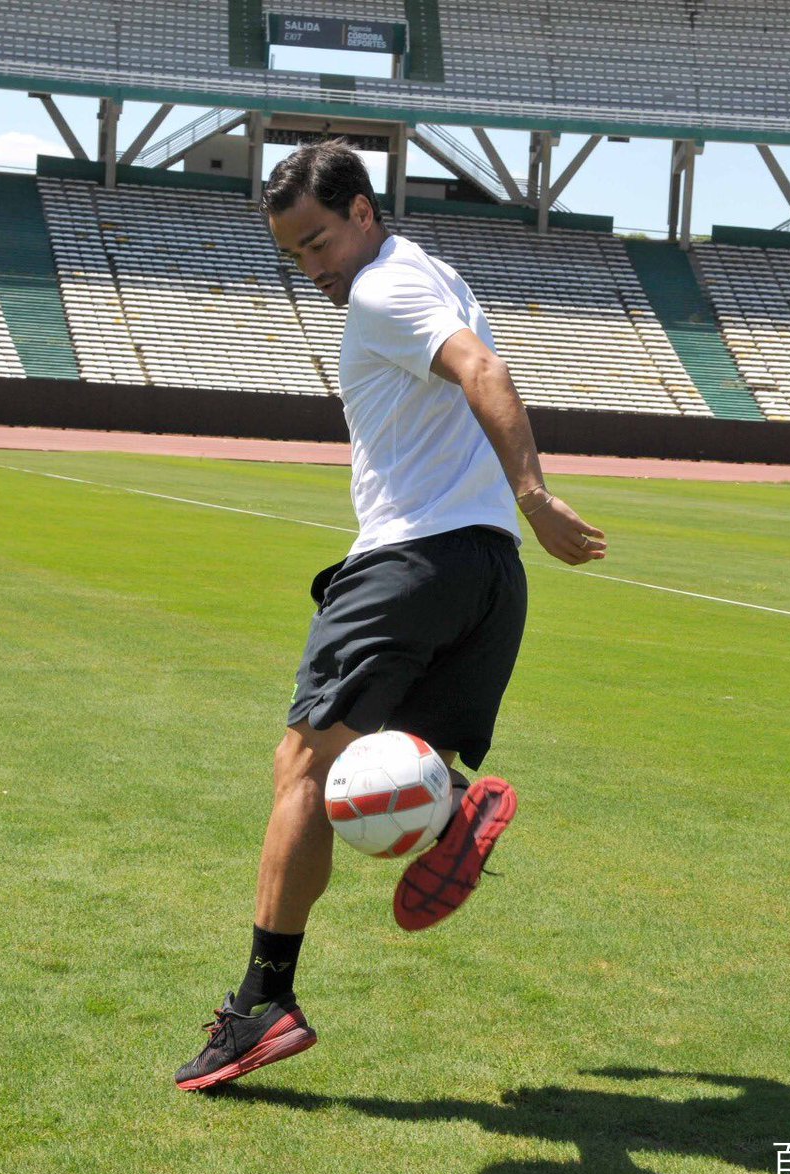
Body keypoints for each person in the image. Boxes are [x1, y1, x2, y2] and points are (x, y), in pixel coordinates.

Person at [175, 138, 607, 1091]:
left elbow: (483, 372)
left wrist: (536, 495)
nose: (314, 269)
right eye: (296, 254)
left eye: (320, 242)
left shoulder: (383, 290)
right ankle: (450, 802)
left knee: (304, 766)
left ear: (363, 213)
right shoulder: (430, 271)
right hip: (487, 580)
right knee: (376, 765)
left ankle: (262, 1004)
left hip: (412, 563)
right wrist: (516, 517)